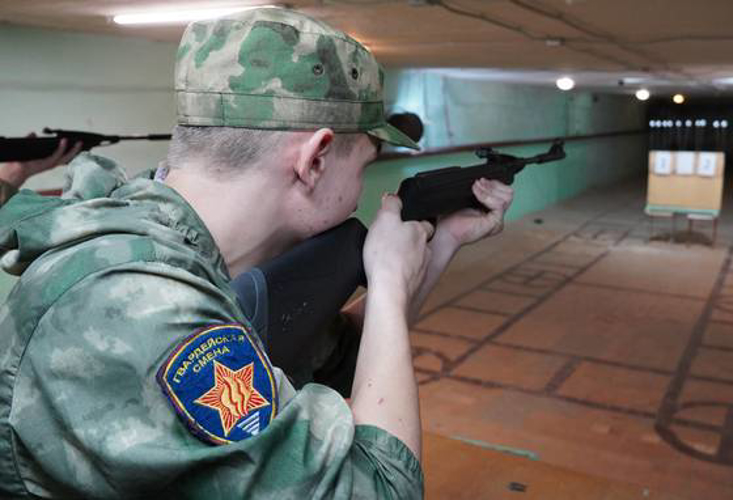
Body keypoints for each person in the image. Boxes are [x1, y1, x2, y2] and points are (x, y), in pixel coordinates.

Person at [0, 7, 513, 499]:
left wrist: (437, 246)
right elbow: (379, 486)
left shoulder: (162, 241)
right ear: (316, 158)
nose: (360, 191)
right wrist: (385, 278)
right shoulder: (142, 307)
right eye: (363, 165)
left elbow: (331, 362)